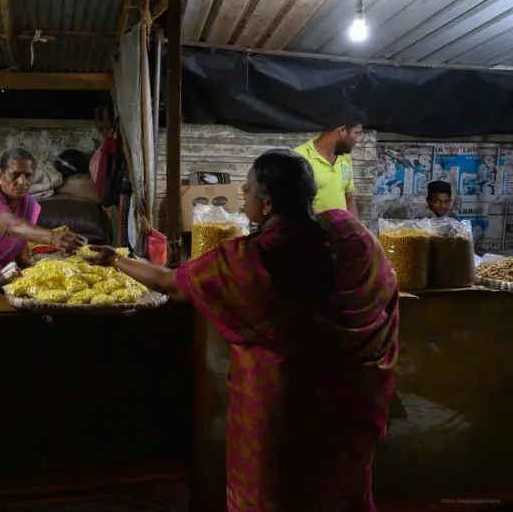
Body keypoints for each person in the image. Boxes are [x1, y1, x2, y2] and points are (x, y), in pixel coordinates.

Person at [87, 149, 399, 511]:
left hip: (285, 406)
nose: (242, 195)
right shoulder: (351, 233)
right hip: (351, 404)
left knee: (278, 493)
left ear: (266, 203)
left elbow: (170, 283)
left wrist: (114, 259)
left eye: (247, 189)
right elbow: (386, 287)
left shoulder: (250, 258)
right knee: (338, 492)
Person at [294, 105, 365, 216]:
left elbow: (349, 199)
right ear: (342, 130)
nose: (357, 140)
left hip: (339, 233)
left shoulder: (345, 158)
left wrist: (355, 230)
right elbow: (290, 205)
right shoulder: (299, 158)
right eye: (356, 133)